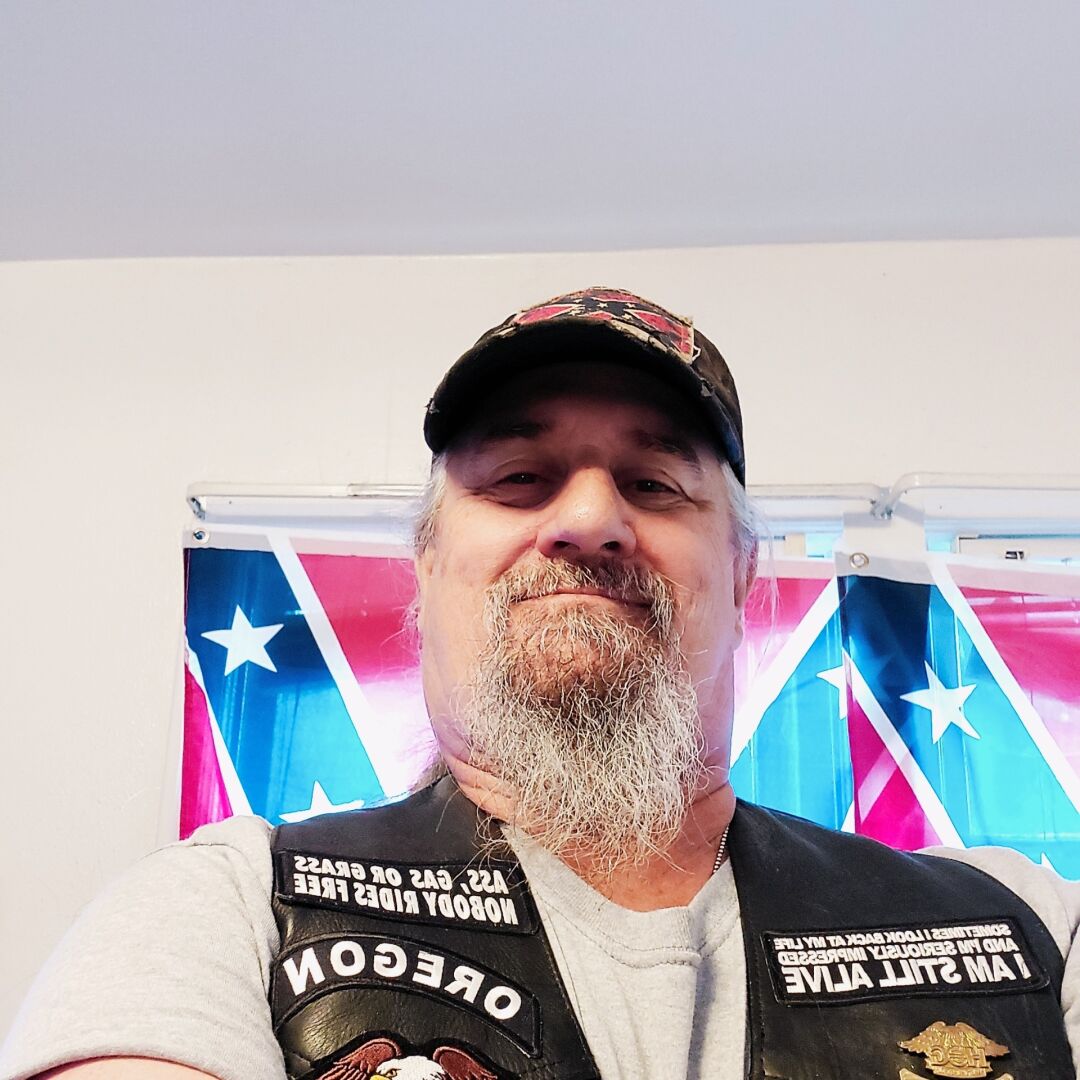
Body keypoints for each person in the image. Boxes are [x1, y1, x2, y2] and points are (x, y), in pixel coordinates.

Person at [2, 287, 1078, 1080]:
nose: (591, 518)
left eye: (655, 482)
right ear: (427, 565)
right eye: (520, 478)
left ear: (745, 574)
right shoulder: (228, 913)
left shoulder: (1028, 934)